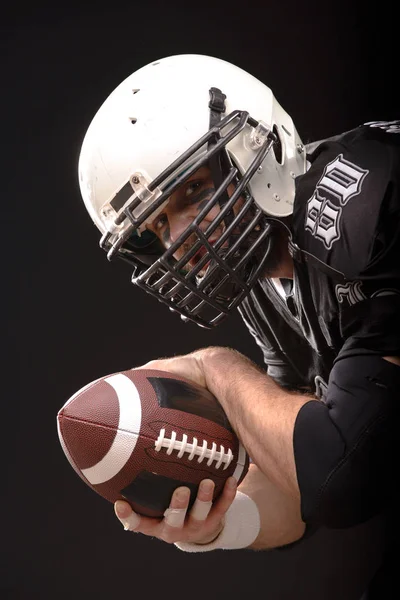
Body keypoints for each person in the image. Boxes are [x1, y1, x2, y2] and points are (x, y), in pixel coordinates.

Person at [77, 54, 399, 596]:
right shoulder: (267, 277)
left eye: (194, 191)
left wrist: (218, 367)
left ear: (258, 145)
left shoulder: (364, 201)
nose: (180, 239)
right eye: (156, 227)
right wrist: (221, 524)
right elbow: (299, 480)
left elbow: (344, 474)